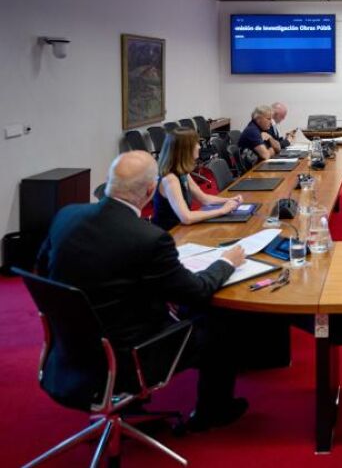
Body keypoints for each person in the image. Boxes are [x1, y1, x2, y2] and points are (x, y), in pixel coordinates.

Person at [36, 151, 250, 431]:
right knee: (219, 326)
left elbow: (42, 269)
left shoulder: (67, 216)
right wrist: (226, 262)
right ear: (151, 190)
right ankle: (214, 411)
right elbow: (196, 292)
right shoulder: (149, 239)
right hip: (130, 354)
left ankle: (130, 405)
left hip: (70, 347)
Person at [151, 128, 242, 230]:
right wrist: (222, 210)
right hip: (170, 232)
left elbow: (204, 199)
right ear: (185, 149)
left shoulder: (182, 171)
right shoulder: (170, 179)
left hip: (181, 229)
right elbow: (186, 218)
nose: (199, 146)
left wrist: (229, 200)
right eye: (195, 143)